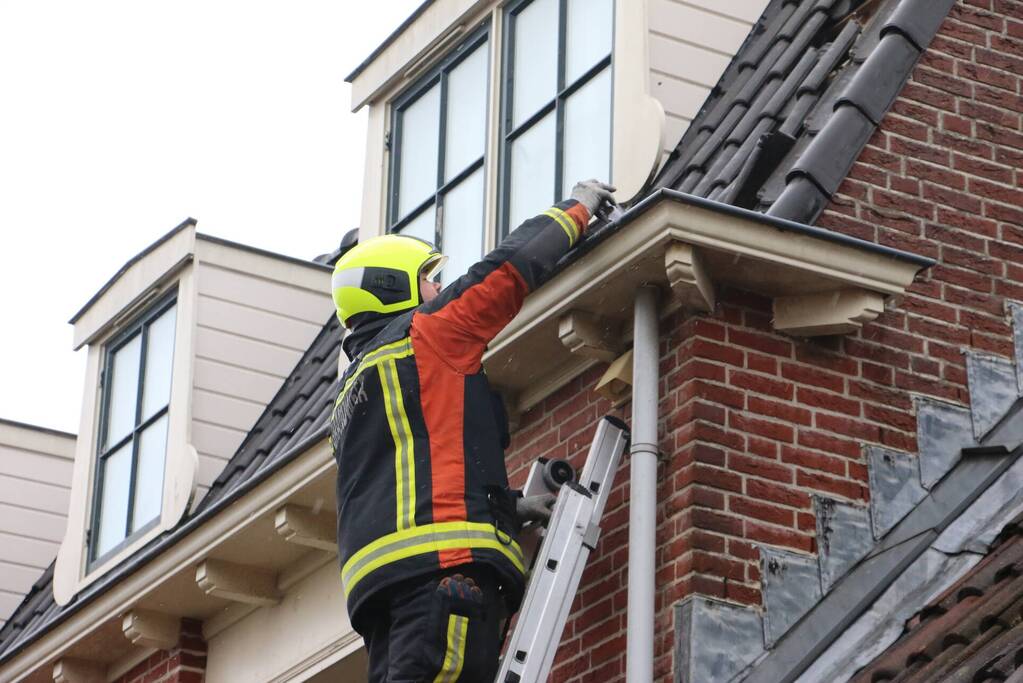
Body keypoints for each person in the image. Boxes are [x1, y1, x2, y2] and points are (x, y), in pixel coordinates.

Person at [330, 179, 616, 682]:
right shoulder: (427, 336)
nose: (438, 290)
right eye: (428, 279)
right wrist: (577, 209)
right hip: (447, 576)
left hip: (384, 602)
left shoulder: (349, 395)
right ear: (394, 286)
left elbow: (416, 471)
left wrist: (504, 509)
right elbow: (507, 269)